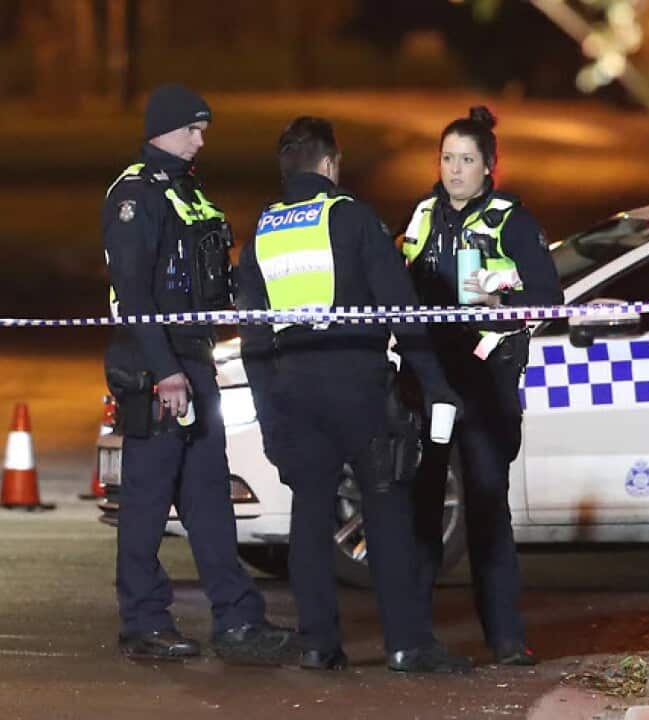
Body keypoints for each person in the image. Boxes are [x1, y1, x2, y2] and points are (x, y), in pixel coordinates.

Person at [237, 116, 470, 673]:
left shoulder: (263, 231)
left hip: (294, 392)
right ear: (329, 164)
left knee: (310, 520)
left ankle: (319, 645)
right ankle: (407, 644)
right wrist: (435, 385)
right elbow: (402, 310)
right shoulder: (353, 217)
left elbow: (253, 338)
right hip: (359, 389)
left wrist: (271, 418)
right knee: (387, 513)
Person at [102, 83, 294, 663]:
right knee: (147, 500)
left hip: (196, 360)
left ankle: (238, 622)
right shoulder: (135, 196)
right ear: (164, 129)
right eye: (194, 128)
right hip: (155, 367)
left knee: (209, 499)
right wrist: (163, 371)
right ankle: (143, 621)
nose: (202, 138)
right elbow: (132, 292)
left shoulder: (189, 193)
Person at [400, 105, 564, 666]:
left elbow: (548, 298)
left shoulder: (510, 219)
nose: (455, 170)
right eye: (447, 158)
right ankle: (413, 638)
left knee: (487, 508)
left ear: (490, 165)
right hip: (429, 381)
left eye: (467, 160)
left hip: (486, 379)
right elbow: (401, 285)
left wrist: (502, 302)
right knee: (422, 508)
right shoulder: (423, 215)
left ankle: (506, 639)